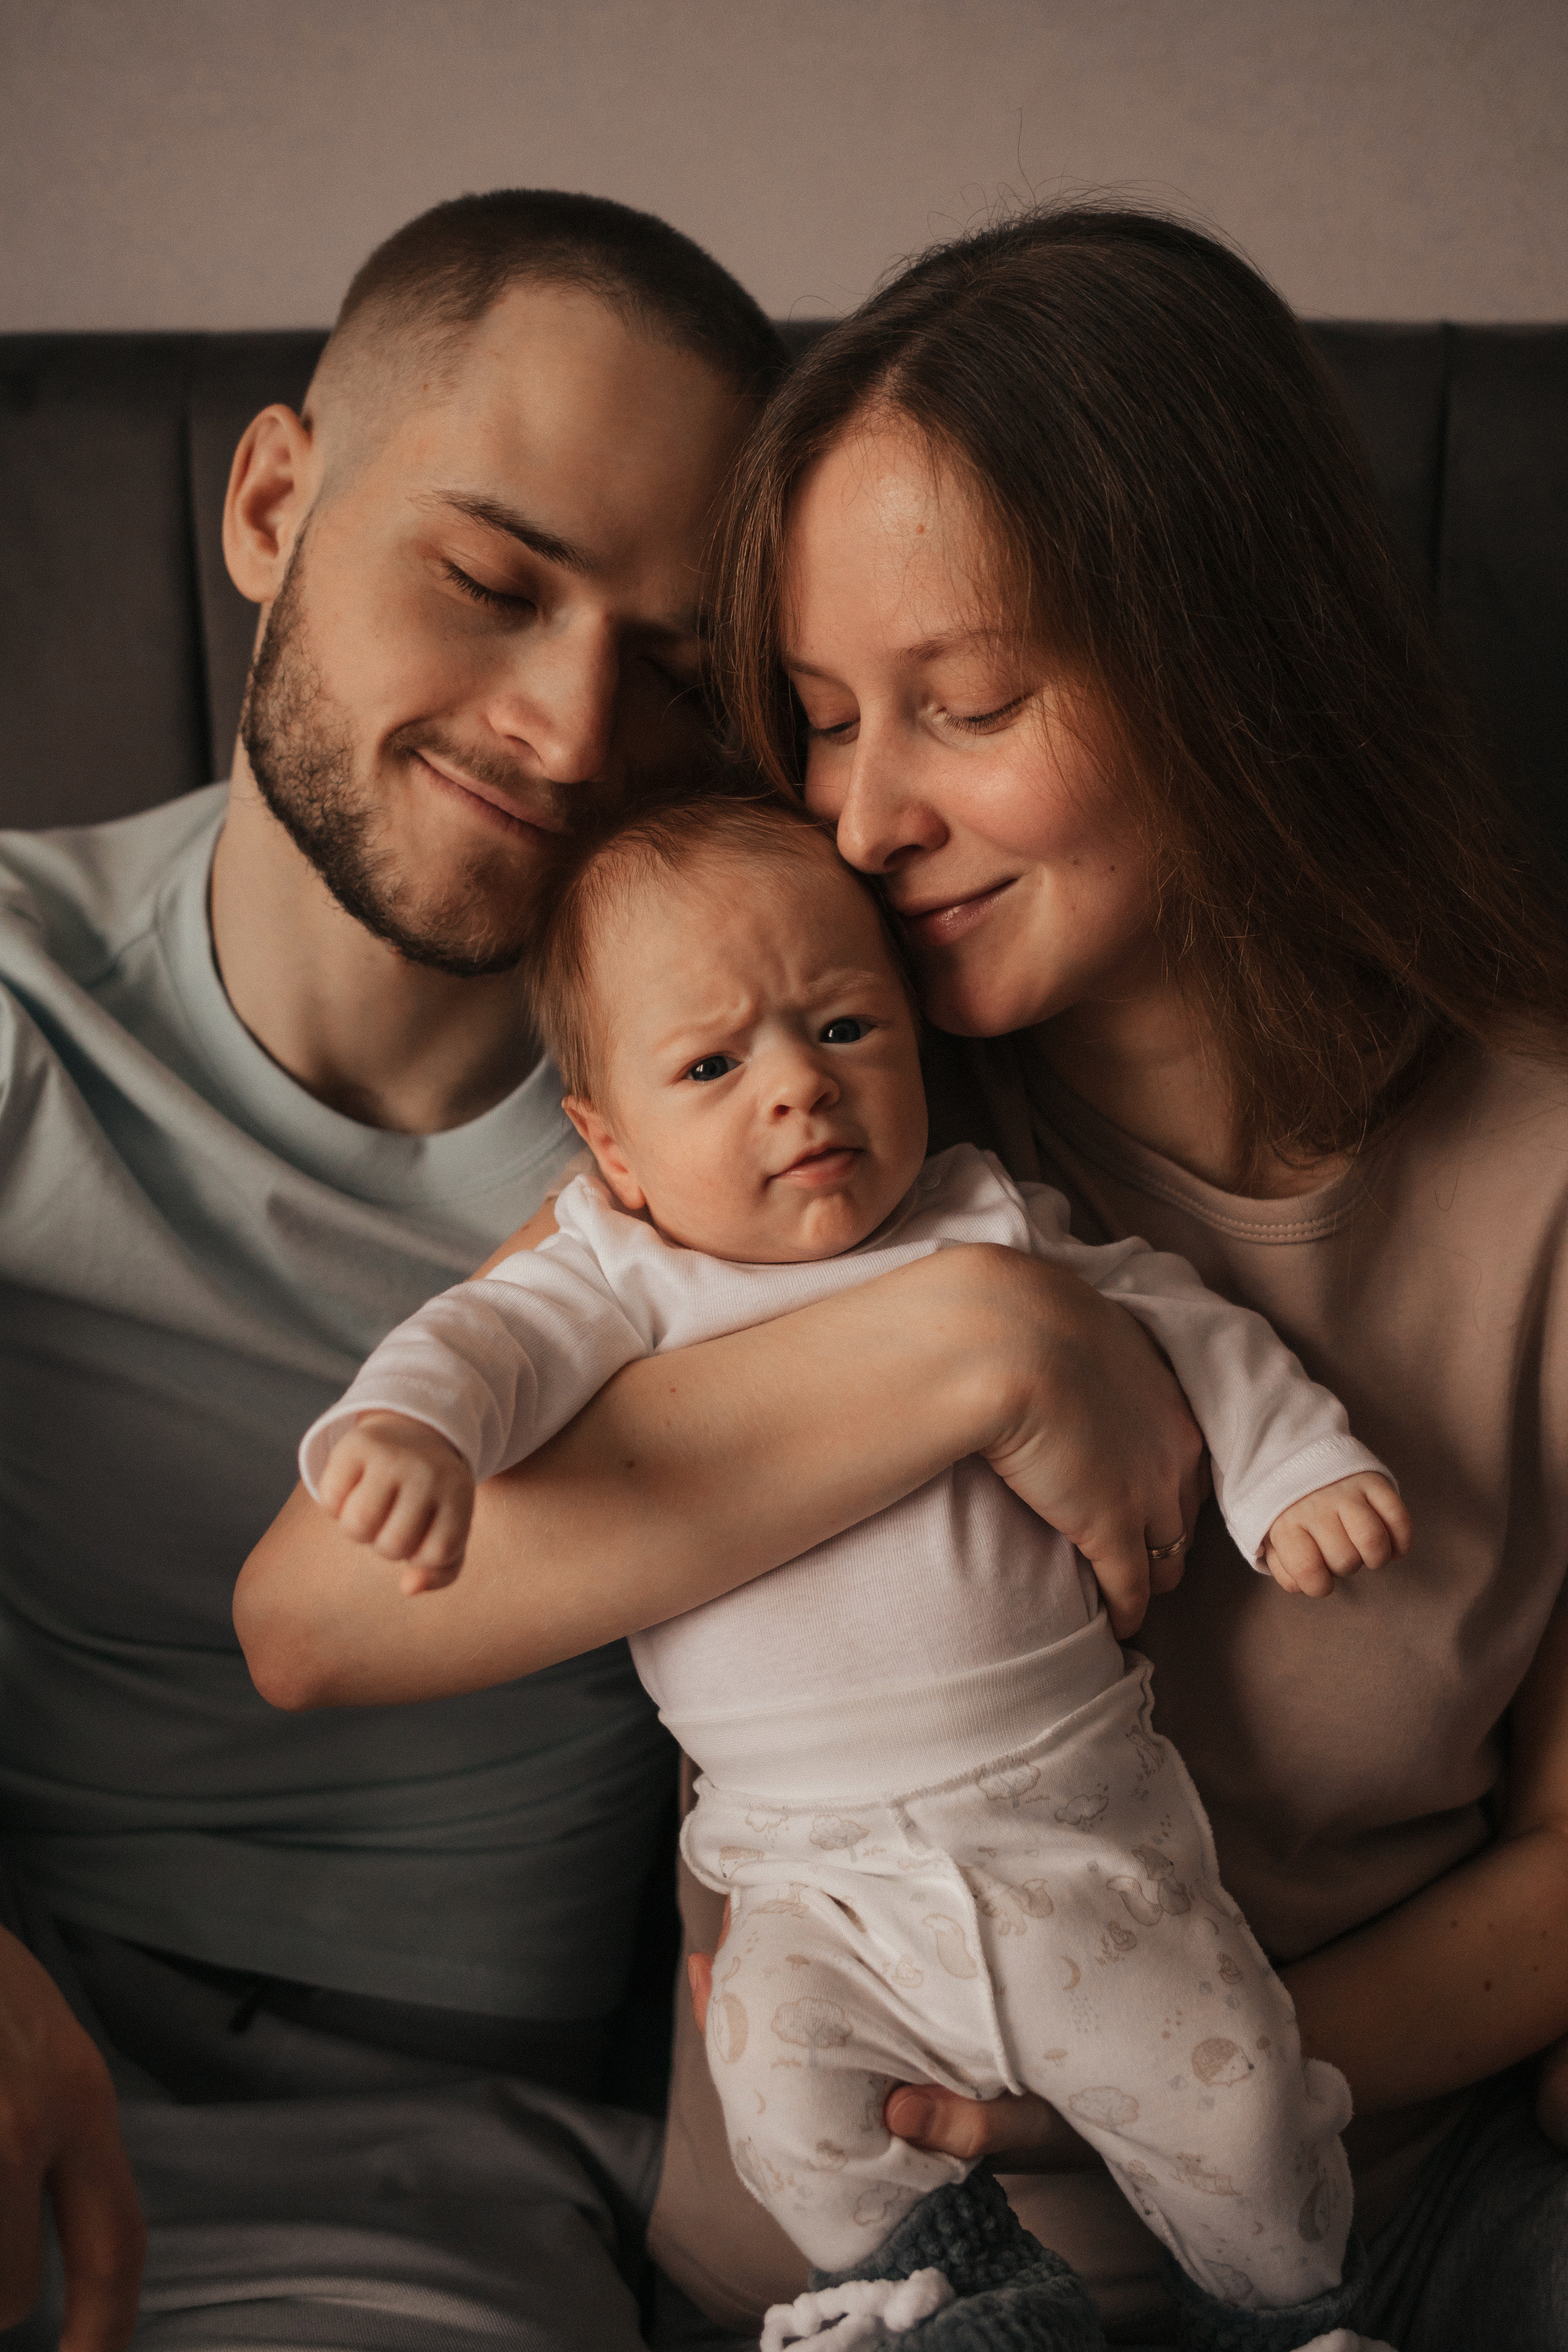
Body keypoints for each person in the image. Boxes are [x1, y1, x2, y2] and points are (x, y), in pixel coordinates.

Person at [237, 207, 1568, 2352]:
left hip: (1365, 2198)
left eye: (960, 709)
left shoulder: (1539, 1168)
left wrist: (1163, 2073)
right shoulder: (792, 1115)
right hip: (871, 2269)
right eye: (818, 715)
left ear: (1233, 666)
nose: (858, 820)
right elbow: (312, 1613)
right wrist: (978, 1335)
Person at [0, 188, 1207, 2352]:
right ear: (272, 502)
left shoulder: (819, 1102)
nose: (565, 732)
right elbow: (311, 1617)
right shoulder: (15, 1002)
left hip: (454, 2156)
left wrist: (978, 1311)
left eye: (665, 671)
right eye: (487, 581)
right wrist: (986, 1346)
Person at [294, 788, 1408, 2346]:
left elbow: (1179, 1316)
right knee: (778, 2070)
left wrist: (1293, 1463)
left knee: (1230, 2091)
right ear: (609, 1144)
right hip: (806, 1870)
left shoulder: (984, 1215)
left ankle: (1285, 2312)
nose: (797, 1092)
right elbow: (479, 1344)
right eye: (711, 1065)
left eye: (844, 1029)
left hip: (1071, 1818)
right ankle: (932, 2294)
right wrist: (412, 1432)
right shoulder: (621, 1274)